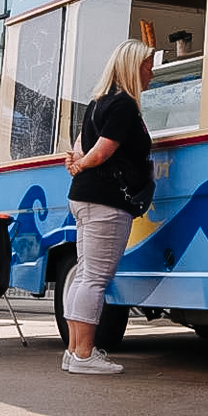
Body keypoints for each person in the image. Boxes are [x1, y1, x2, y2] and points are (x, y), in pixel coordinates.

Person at [62, 39, 155, 374]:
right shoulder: (124, 105)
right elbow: (99, 152)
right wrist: (84, 163)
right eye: (148, 65)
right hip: (106, 201)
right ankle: (85, 355)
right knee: (95, 279)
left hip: (84, 197)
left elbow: (79, 146)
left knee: (84, 275)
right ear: (133, 66)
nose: (152, 72)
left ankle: (73, 352)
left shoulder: (96, 102)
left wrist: (77, 164)